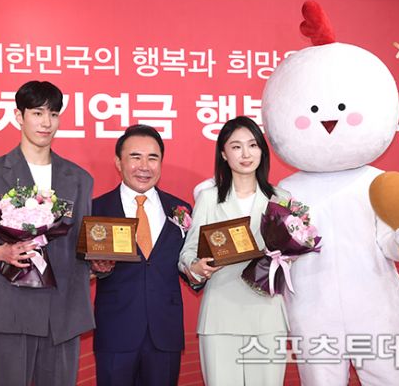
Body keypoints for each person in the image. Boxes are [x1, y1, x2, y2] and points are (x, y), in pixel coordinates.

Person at [0, 80, 94, 386]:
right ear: (19, 116)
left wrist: (100, 263)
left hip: (63, 313)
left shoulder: (80, 179)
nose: (46, 123)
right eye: (37, 113)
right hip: (11, 308)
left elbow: (82, 244)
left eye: (54, 114)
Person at [179, 116, 289, 386]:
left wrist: (285, 257)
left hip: (267, 315)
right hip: (220, 315)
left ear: (262, 151)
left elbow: (292, 253)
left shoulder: (281, 198)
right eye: (236, 147)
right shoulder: (209, 198)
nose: (246, 154)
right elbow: (188, 250)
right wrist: (195, 267)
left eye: (253, 145)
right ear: (223, 154)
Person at [90, 124, 192, 386]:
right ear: (118, 162)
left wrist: (198, 271)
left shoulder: (180, 209)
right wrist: (94, 269)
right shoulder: (96, 209)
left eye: (152, 158)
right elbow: (78, 266)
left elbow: (188, 264)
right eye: (135, 157)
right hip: (116, 330)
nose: (144, 166)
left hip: (164, 332)